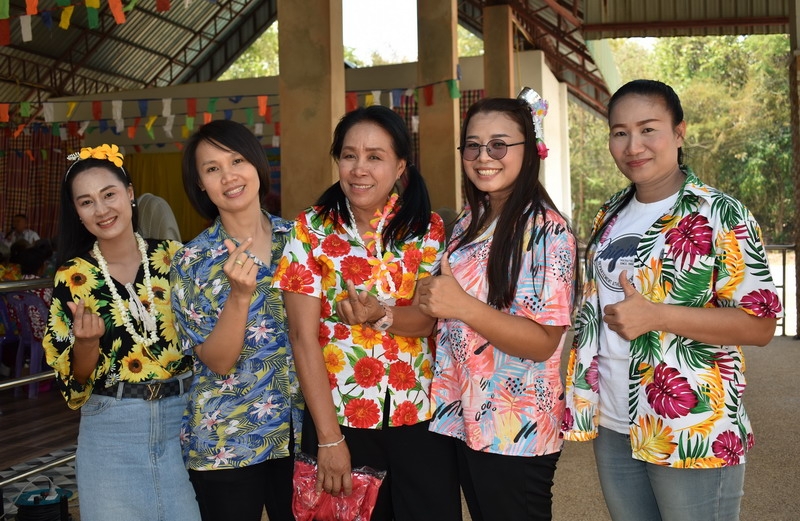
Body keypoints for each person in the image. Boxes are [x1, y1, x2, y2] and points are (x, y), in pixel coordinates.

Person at [562, 79, 783, 521]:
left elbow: (760, 326)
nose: (633, 146)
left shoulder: (720, 214)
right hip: (614, 420)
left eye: (648, 129)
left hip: (689, 423)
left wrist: (657, 315)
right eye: (620, 132)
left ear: (679, 133)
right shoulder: (610, 212)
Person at [273, 105, 462, 521]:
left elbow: (427, 321)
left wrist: (380, 314)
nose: (359, 168)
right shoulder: (310, 230)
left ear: (400, 167)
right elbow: (302, 338)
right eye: (349, 155)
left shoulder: (425, 228)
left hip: (420, 416)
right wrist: (329, 439)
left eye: (375, 157)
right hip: (339, 419)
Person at [416, 90, 577, 521]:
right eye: (473, 145)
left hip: (515, 428)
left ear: (531, 150)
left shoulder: (547, 232)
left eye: (499, 145)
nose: (483, 156)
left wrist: (461, 305)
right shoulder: (471, 220)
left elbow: (543, 342)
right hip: (465, 416)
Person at [41, 143, 200, 521]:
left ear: (129, 194)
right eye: (86, 202)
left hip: (185, 421)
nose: (101, 209)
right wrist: (86, 343)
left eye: (109, 194)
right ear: (77, 213)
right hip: (112, 428)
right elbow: (76, 382)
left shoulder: (174, 257)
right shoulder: (72, 276)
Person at [171, 119, 303, 521]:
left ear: (257, 163)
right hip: (226, 442)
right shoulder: (191, 261)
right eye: (212, 169)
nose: (229, 176)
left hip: (301, 432)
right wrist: (239, 297)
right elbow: (218, 361)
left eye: (237, 160)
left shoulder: (300, 241)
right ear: (200, 184)